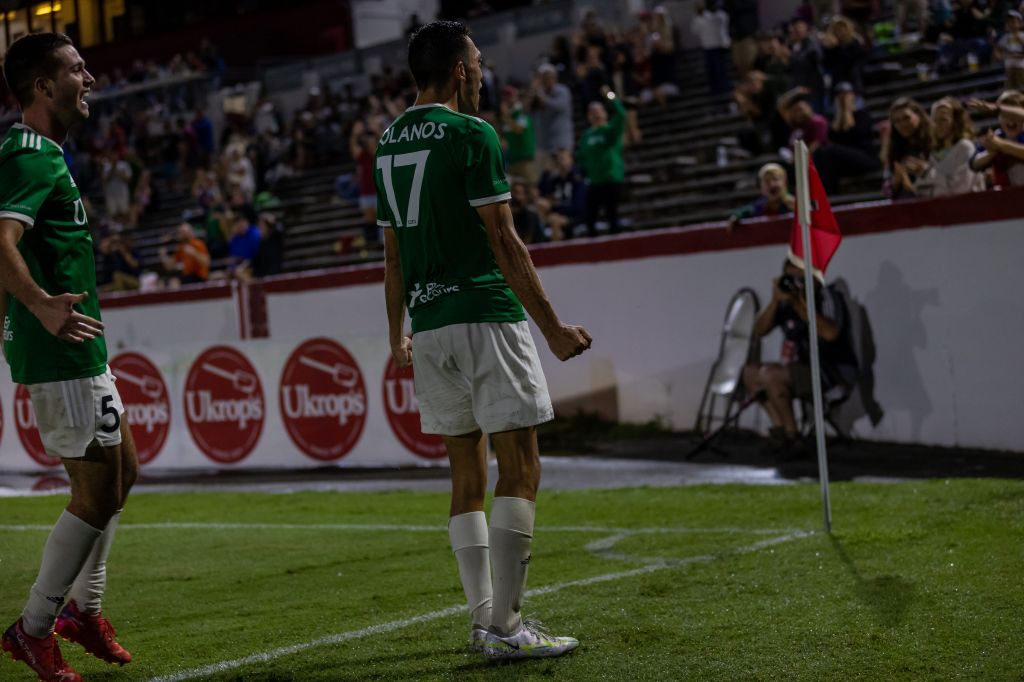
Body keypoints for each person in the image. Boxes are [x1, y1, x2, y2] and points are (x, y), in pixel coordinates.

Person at [379, 20, 591, 660]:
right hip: (484, 314)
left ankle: (483, 623)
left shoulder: (387, 143)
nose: (481, 73)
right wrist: (552, 329)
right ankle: (508, 626)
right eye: (476, 62)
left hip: (428, 325)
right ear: (459, 71)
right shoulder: (472, 133)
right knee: (521, 467)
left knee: (465, 475)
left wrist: (396, 333)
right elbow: (503, 239)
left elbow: (393, 255)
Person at [0, 32, 137, 681]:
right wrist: (38, 306)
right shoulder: (28, 154)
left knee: (123, 475)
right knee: (97, 488)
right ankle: (33, 629)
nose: (90, 78)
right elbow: (0, 241)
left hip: (79, 343)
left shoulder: (48, 154)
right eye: (77, 69)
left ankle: (85, 611)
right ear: (43, 86)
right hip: (57, 348)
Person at [743, 259, 858, 456]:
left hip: (831, 371)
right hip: (799, 368)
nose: (797, 284)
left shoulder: (826, 296)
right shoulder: (785, 302)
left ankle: (793, 437)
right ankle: (781, 432)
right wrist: (775, 301)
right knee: (751, 373)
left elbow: (830, 333)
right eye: (792, 278)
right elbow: (759, 330)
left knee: (772, 375)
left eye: (801, 278)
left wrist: (799, 304)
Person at [814, 82, 881, 194]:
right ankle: (823, 193)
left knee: (830, 151)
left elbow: (859, 134)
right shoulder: (834, 121)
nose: (843, 99)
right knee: (819, 153)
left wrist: (847, 112)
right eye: (840, 96)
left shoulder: (862, 115)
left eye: (846, 95)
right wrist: (840, 114)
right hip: (846, 163)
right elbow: (833, 137)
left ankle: (829, 193)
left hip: (866, 158)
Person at [577, 88, 627, 237]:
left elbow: (622, 115)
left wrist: (611, 97)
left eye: (598, 111)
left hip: (611, 179)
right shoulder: (586, 136)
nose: (596, 114)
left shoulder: (610, 131)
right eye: (592, 112)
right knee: (589, 218)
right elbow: (582, 157)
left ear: (605, 113)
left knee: (612, 215)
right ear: (588, 116)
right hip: (595, 181)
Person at [911, 97, 985, 197]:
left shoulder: (964, 147)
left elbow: (961, 189)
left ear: (956, 121)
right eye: (934, 120)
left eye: (943, 120)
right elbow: (923, 191)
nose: (937, 125)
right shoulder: (934, 153)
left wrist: (928, 173)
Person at [967, 91, 1024, 187]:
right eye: (1005, 116)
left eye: (1014, 116)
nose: (1010, 120)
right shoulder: (997, 136)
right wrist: (990, 152)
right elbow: (974, 164)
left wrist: (1001, 145)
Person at [882, 97, 933, 198]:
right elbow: (886, 189)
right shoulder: (894, 149)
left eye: (906, 118)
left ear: (918, 115)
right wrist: (896, 180)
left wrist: (925, 169)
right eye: (897, 121)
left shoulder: (935, 141)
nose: (902, 124)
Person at [728, 162, 795, 228]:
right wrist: (735, 216)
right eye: (767, 181)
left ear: (784, 183)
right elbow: (742, 212)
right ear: (762, 188)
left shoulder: (794, 205)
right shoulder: (759, 206)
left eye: (775, 179)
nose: (772, 184)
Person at [531, 63, 575, 160]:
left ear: (554, 77)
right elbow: (528, 110)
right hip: (544, 143)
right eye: (543, 77)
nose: (546, 80)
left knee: (564, 166)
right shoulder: (539, 93)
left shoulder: (562, 91)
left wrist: (540, 95)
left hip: (560, 142)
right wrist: (533, 93)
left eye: (548, 77)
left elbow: (557, 106)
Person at [691, 1, 732, 96]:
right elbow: (694, 30)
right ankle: (716, 88)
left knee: (721, 68)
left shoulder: (719, 15)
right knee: (712, 69)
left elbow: (721, 21)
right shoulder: (699, 18)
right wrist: (698, 15)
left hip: (719, 46)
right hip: (708, 47)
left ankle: (723, 87)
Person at [996, 11, 1024, 90]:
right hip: (1009, 65)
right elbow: (998, 49)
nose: (1012, 25)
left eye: (1014, 22)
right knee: (1011, 88)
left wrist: (1019, 39)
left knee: (1022, 86)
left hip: (1021, 64)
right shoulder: (1006, 37)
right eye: (1010, 22)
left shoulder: (1022, 35)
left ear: (1020, 23)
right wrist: (1000, 56)